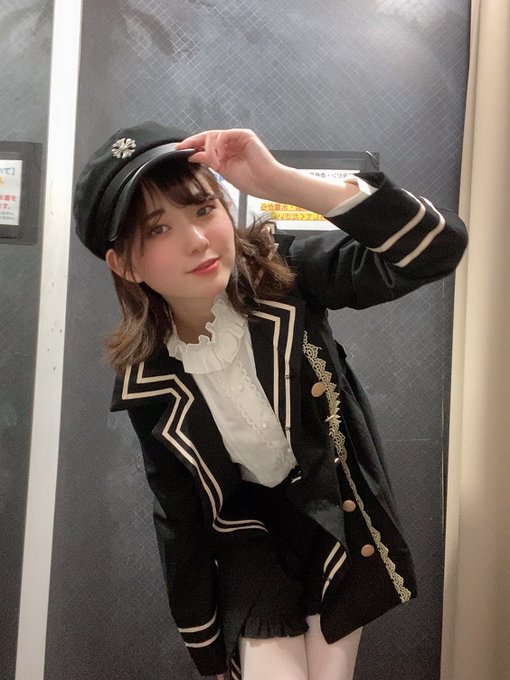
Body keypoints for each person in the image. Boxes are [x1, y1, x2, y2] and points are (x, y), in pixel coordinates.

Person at [73, 122, 467, 680]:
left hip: (335, 519)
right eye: (158, 228)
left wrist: (280, 181)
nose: (197, 239)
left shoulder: (287, 277)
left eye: (204, 208)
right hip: (249, 543)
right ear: (126, 266)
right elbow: (178, 516)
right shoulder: (148, 379)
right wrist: (208, 651)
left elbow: (437, 250)